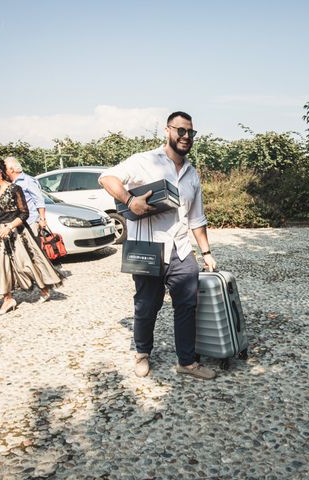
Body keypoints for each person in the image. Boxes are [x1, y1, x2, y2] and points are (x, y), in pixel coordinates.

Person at [99, 111, 217, 380]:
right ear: (167, 131)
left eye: (191, 132)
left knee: (187, 305)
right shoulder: (144, 161)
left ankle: (186, 362)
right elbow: (107, 178)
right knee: (146, 305)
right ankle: (142, 353)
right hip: (148, 249)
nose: (186, 137)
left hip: (181, 249)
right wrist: (130, 201)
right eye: (181, 131)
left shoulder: (191, 173)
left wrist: (206, 253)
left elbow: (197, 218)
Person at [0, 157, 63, 313]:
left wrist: (10, 227)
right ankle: (8, 299)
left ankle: (44, 289)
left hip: (17, 232)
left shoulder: (15, 189)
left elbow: (24, 213)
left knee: (27, 264)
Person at [4, 156, 48, 235]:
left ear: (11, 169)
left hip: (30, 222)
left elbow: (39, 200)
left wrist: (42, 219)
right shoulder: (11, 183)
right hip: (18, 223)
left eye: (5, 169)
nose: (4, 171)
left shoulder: (28, 181)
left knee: (32, 246)